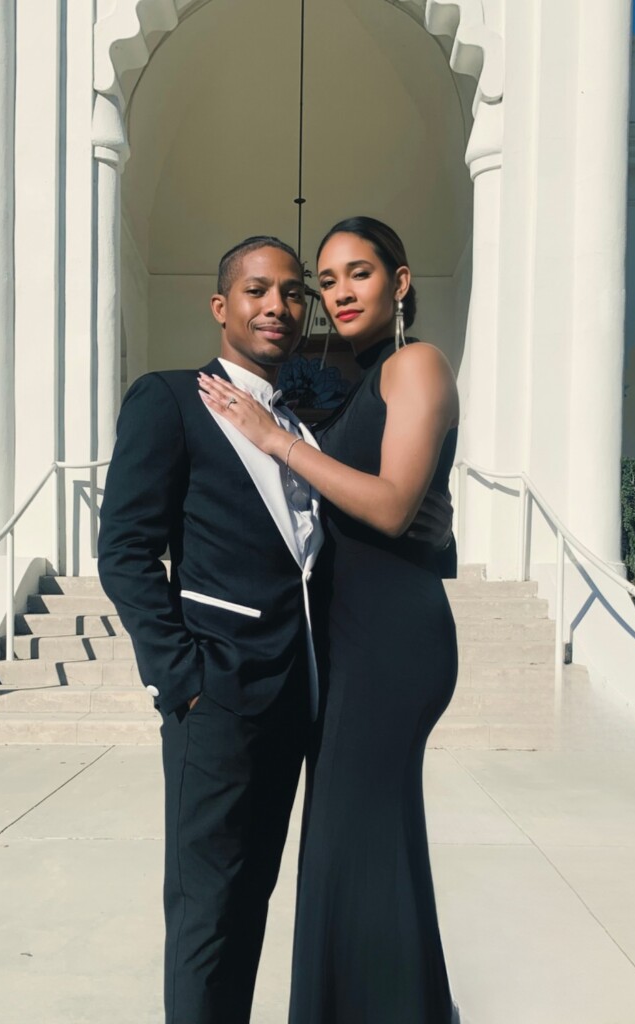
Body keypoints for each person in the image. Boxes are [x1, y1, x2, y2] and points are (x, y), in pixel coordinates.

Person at [98, 233, 451, 1024]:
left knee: (253, 896)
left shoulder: (307, 415)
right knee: (207, 913)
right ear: (222, 306)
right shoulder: (169, 399)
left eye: (296, 292)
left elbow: (380, 496)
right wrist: (181, 681)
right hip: (216, 696)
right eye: (258, 290)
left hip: (305, 694)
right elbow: (123, 552)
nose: (279, 306)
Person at [198, 216, 461, 1023]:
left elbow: (387, 507)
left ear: (400, 282)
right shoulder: (365, 378)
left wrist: (275, 441)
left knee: (359, 844)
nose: (339, 293)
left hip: (393, 643)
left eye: (359, 274)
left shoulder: (416, 364)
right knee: (350, 849)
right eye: (328, 281)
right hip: (345, 643)